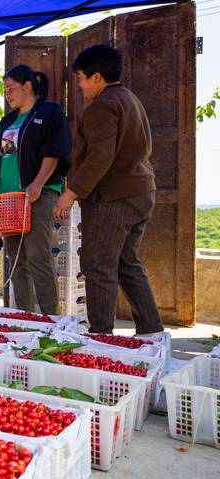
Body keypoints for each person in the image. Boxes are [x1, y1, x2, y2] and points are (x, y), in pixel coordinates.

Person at [54, 44, 163, 336]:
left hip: (115, 197)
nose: (79, 86)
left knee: (98, 265)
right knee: (127, 263)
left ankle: (100, 336)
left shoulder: (103, 105)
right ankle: (152, 332)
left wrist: (71, 192)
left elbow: (100, 157)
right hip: (141, 192)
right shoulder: (129, 98)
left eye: (81, 78)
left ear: (97, 77)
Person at [0, 65, 72, 315]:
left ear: (28, 86)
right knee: (15, 261)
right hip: (8, 200)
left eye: (11, 88)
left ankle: (52, 319)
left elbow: (54, 151)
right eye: (5, 90)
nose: (7, 94)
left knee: (38, 258)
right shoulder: (8, 121)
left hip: (37, 195)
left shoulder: (49, 112)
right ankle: (24, 317)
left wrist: (38, 182)